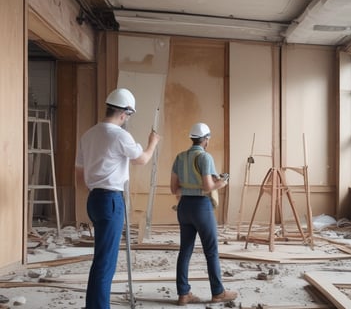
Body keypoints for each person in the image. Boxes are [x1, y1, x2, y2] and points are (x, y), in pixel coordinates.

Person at [75, 88, 161, 309]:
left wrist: (95, 188)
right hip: (110, 200)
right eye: (128, 117)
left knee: (101, 258)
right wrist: (152, 143)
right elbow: (141, 159)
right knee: (106, 262)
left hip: (94, 199)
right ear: (124, 114)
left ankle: (93, 304)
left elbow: (79, 174)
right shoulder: (120, 135)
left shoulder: (88, 135)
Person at [170, 122, 238, 306]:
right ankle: (218, 293)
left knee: (185, 251)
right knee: (211, 251)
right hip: (201, 207)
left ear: (192, 138)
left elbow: (173, 189)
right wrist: (222, 183)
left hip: (184, 208)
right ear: (206, 139)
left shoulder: (180, 157)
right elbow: (208, 186)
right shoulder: (205, 157)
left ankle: (183, 294)